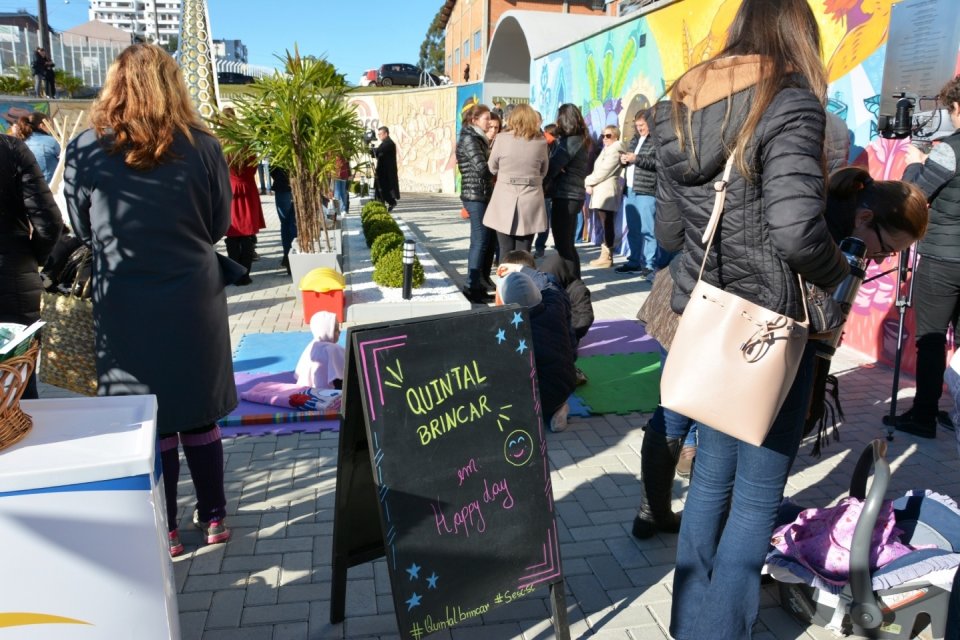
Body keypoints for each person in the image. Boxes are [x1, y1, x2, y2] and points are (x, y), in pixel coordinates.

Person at [652, 1, 853, 636]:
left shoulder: (675, 105)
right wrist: (839, 273)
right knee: (756, 498)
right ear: (798, 32)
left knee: (711, 478)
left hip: (709, 323)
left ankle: (692, 624)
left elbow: (663, 230)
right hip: (770, 330)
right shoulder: (789, 100)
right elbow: (796, 233)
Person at [63, 43, 236, 557]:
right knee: (198, 411)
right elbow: (220, 224)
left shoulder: (88, 147)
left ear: (114, 83)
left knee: (146, 415)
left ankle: (164, 529)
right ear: (173, 84)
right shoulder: (202, 145)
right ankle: (214, 519)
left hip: (125, 301)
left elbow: (80, 225)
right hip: (192, 296)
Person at [889, 74, 960, 439]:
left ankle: (924, 416)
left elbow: (914, 195)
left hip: (944, 260)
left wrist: (916, 161)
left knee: (931, 340)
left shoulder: (950, 148)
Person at [0, 130, 63, 401]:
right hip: (12, 276)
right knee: (18, 387)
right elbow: (49, 223)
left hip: (14, 275)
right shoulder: (11, 148)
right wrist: (32, 258)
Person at [497, 270, 576, 432]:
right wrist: (524, 269)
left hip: (528, 399)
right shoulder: (555, 306)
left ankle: (532, 415)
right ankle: (557, 409)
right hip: (562, 388)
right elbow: (551, 285)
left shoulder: (507, 329)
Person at [485, 104, 549, 258]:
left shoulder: (501, 139)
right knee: (524, 252)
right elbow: (544, 171)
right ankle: (522, 281)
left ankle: (504, 281)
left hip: (504, 197)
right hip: (530, 198)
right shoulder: (541, 142)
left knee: (505, 251)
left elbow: (492, 167)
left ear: (512, 119)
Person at [456, 103, 496, 304]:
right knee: (479, 241)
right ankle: (471, 287)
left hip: (481, 194)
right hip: (475, 195)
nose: (489, 122)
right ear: (474, 120)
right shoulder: (470, 139)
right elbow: (482, 168)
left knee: (484, 242)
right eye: (486, 118)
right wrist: (498, 166)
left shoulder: (477, 138)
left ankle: (478, 286)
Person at [544, 103, 591, 271]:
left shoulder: (571, 141)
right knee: (567, 245)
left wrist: (551, 167)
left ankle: (572, 284)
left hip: (566, 195)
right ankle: (573, 282)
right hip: (574, 195)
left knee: (563, 246)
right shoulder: (580, 139)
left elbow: (553, 166)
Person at [616, 110, 659, 276]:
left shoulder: (656, 140)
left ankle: (650, 264)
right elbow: (631, 160)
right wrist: (624, 160)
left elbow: (658, 162)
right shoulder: (635, 139)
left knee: (648, 229)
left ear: (650, 123)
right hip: (631, 189)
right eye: (637, 125)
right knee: (633, 229)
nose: (639, 128)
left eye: (642, 125)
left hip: (647, 190)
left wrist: (637, 159)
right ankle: (634, 261)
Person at [585, 125, 625, 268]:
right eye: (603, 135)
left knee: (606, 223)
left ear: (616, 136)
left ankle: (607, 256)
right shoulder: (608, 149)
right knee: (604, 222)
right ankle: (605, 255)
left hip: (607, 191)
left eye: (608, 136)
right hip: (602, 190)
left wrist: (587, 181)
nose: (604, 138)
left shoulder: (615, 150)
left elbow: (604, 171)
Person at [9, 111, 61, 184]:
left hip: (26, 187)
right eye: (49, 125)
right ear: (42, 126)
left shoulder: (21, 142)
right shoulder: (52, 141)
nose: (50, 128)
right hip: (49, 185)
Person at [270, 165, 296, 274]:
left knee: (286, 225)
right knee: (292, 224)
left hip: (282, 187)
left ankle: (289, 258)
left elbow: (272, 169)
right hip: (292, 185)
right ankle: (293, 258)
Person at [373, 126, 399, 211]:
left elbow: (380, 151)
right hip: (382, 171)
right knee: (381, 189)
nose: (379, 136)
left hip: (386, 172)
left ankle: (391, 202)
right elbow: (378, 153)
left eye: (380, 134)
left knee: (384, 189)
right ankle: (382, 204)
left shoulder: (389, 144)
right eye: (378, 134)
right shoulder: (385, 143)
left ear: (386, 134)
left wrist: (374, 151)